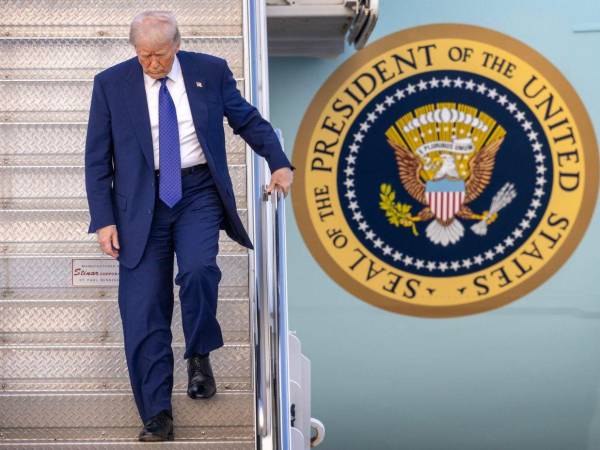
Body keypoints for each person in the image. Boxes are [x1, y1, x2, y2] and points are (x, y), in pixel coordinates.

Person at [84, 10, 294, 442]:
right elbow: (97, 158)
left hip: (197, 192)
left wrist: (278, 162)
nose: (152, 64)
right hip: (139, 203)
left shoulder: (209, 71)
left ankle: (199, 354)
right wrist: (104, 219)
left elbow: (246, 120)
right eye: (143, 56)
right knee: (143, 309)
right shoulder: (110, 84)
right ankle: (156, 413)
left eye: (159, 55)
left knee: (199, 270)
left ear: (177, 45)